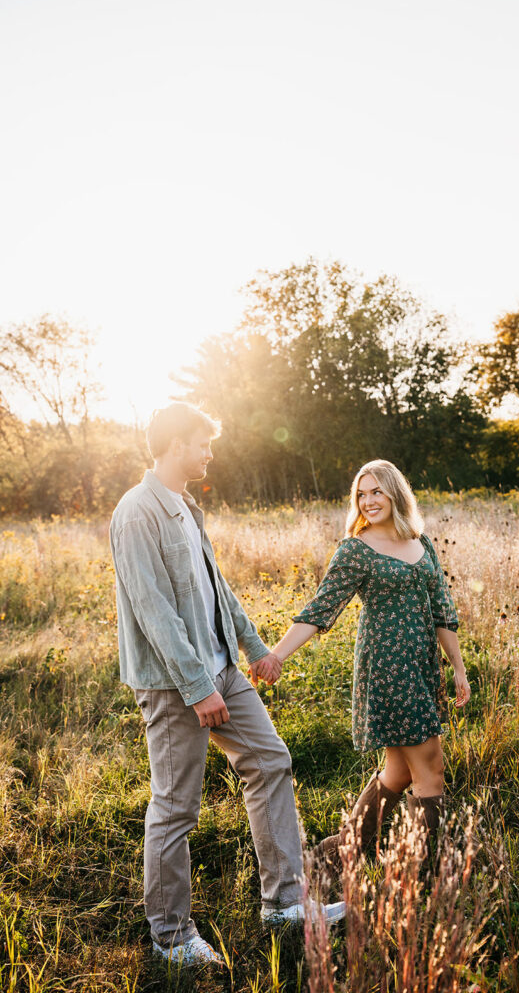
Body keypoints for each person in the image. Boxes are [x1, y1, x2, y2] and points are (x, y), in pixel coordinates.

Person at [109, 403, 344, 968]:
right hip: (175, 685)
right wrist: (197, 688)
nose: (209, 453)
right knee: (176, 806)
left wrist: (255, 648)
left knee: (270, 760)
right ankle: (171, 938)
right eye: (202, 443)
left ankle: (284, 903)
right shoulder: (137, 512)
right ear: (175, 444)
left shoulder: (187, 507)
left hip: (222, 672)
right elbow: (154, 612)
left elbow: (218, 588)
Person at [263, 459, 471, 869]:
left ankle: (337, 855)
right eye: (361, 494)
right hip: (388, 670)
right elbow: (320, 609)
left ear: (395, 493)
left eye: (377, 491)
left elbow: (442, 611)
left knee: (399, 771)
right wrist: (276, 655)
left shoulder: (421, 543)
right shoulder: (356, 550)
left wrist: (458, 667)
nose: (369, 501)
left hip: (422, 667)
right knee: (430, 770)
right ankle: (419, 872)